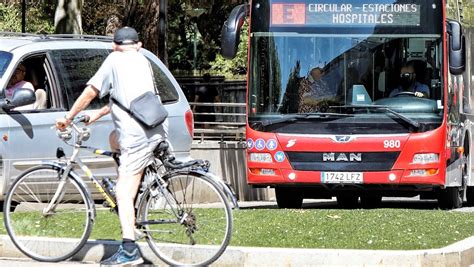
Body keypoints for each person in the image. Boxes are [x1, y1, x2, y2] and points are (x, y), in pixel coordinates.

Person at [55, 27, 167, 266]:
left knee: (123, 193)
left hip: (137, 136)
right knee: (113, 139)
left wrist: (69, 116)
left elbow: (90, 92)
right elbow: (125, 98)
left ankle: (129, 251)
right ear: (138, 44)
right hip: (155, 127)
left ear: (114, 45)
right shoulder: (143, 59)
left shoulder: (114, 59)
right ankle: (131, 184)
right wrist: (97, 115)